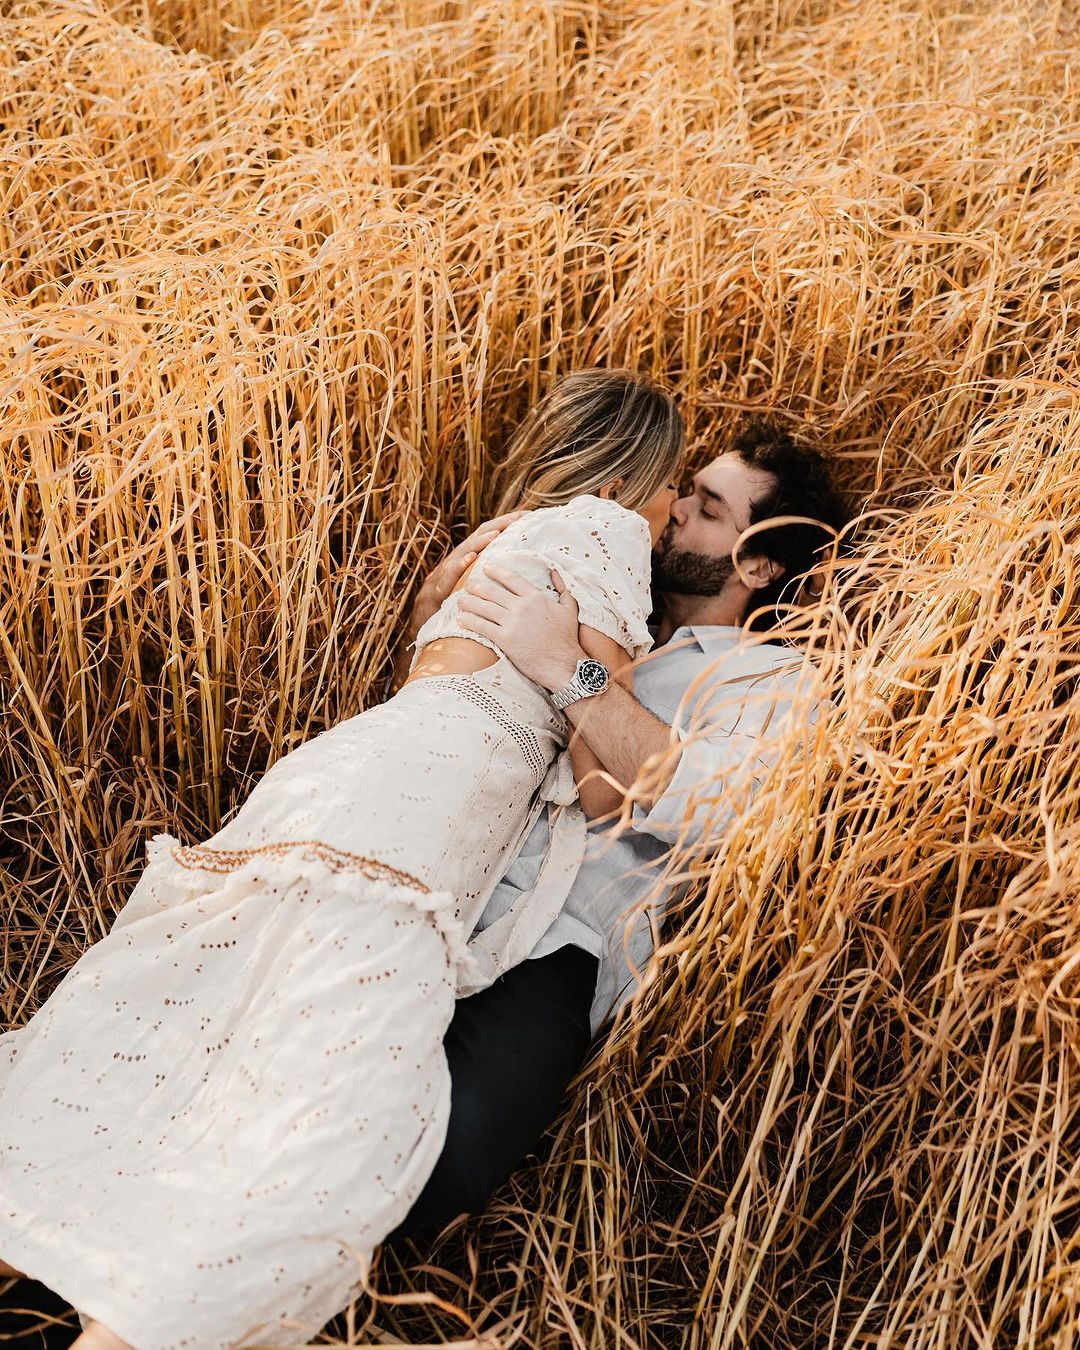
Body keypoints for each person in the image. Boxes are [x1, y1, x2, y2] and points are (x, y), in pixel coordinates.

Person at [0, 369, 685, 1350]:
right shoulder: (606, 533)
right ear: (633, 476)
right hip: (416, 827)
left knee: (176, 1035)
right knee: (316, 1114)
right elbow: (618, 787)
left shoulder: (485, 545)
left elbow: (436, 678)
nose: (670, 510)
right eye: (673, 486)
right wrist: (566, 668)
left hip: (329, 783)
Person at [389, 418, 851, 1239]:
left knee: (444, 1162)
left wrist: (570, 667)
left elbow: (720, 808)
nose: (676, 510)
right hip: (438, 869)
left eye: (709, 508)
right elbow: (439, 719)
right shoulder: (588, 589)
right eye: (687, 492)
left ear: (759, 563)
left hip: (560, 942)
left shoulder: (774, 680)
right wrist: (429, 612)